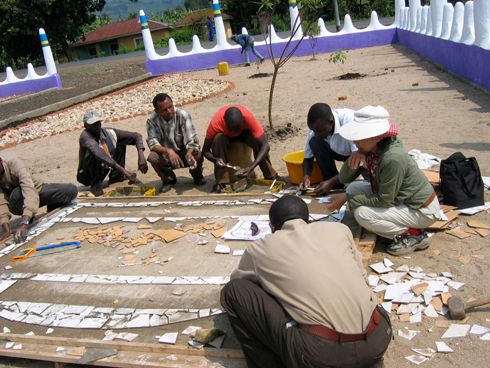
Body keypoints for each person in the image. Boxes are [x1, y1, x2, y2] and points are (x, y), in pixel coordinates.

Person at [221, 195, 392, 368]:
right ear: (308, 220)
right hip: (378, 338)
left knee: (233, 292)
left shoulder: (259, 249)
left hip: (322, 355)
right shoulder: (340, 230)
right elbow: (362, 277)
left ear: (273, 227)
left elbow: (239, 281)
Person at [326, 105, 442, 256]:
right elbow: (344, 178)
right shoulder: (371, 150)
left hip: (421, 210)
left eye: (359, 137)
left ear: (376, 137)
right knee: (353, 187)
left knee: (362, 214)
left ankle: (412, 235)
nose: (355, 142)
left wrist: (348, 198)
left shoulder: (392, 158)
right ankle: (396, 227)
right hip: (400, 200)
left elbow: (385, 200)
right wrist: (355, 156)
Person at [0, 156, 78, 243]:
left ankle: (32, 214)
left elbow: (28, 189)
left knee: (71, 190)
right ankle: (29, 216)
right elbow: (1, 202)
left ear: (0, 161)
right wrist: (7, 230)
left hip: (36, 190)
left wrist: (24, 223)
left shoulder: (15, 163)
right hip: (17, 201)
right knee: (17, 193)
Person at [202, 105, 279, 193]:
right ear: (224, 122)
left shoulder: (249, 118)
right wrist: (215, 159)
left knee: (257, 141)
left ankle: (270, 175)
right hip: (225, 138)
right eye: (231, 130)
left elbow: (265, 145)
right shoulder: (216, 123)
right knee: (218, 139)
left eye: (237, 129)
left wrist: (252, 166)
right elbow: (205, 151)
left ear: (243, 120)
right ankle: (222, 182)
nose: (234, 134)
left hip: (244, 135)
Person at [77, 111, 148, 196]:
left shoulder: (109, 133)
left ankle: (117, 176)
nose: (96, 126)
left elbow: (137, 136)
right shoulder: (85, 136)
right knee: (94, 154)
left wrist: (141, 156)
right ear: (86, 126)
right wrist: (125, 171)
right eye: (93, 124)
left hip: (104, 168)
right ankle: (96, 185)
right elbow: (100, 155)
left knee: (120, 142)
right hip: (86, 175)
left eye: (98, 123)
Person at [146, 93, 206, 193]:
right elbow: (153, 143)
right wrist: (168, 151)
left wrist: (189, 152)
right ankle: (169, 180)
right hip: (166, 155)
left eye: (170, 107)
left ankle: (197, 176)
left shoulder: (183, 115)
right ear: (157, 111)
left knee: (197, 154)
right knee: (153, 157)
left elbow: (192, 139)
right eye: (164, 110)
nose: (169, 111)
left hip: (183, 151)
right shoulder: (152, 120)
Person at [300, 103, 358, 195]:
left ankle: (332, 182)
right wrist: (306, 176)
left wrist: (331, 182)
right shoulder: (317, 128)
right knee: (315, 142)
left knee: (368, 185)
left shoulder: (350, 122)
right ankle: (335, 184)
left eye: (319, 131)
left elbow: (358, 161)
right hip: (339, 151)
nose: (316, 134)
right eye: (313, 130)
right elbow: (308, 159)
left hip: (360, 155)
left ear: (330, 122)